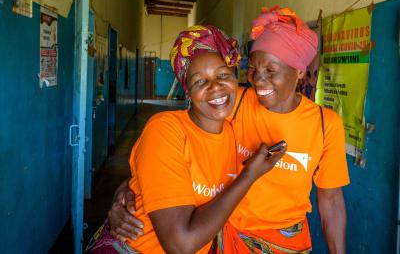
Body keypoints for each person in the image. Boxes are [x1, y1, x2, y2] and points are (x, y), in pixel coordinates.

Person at [107, 7, 350, 253]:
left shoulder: (324, 124)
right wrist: (129, 189)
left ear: (299, 71)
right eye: (253, 69)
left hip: (287, 241)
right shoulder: (236, 103)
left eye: (271, 71)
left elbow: (331, 201)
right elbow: (184, 152)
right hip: (227, 235)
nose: (258, 80)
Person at [86, 25, 286, 254]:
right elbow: (181, 245)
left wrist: (126, 187)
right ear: (188, 91)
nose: (215, 87)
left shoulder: (234, 133)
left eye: (223, 75)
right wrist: (249, 175)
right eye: (200, 81)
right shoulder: (165, 129)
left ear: (235, 80)